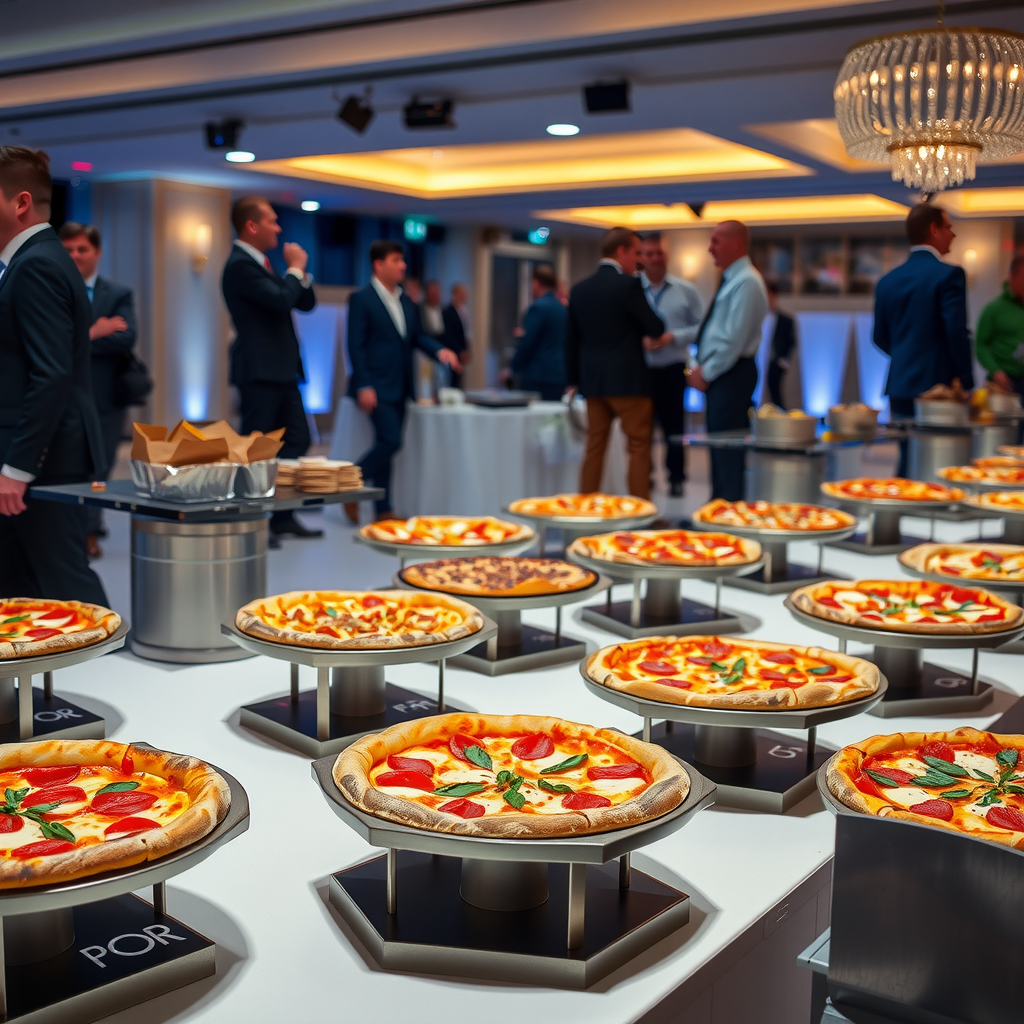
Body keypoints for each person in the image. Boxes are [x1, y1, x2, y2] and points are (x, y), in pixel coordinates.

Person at [0, 147, 108, 605]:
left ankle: (109, 649)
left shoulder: (37, 264)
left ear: (20, 203)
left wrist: (17, 468)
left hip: (43, 458)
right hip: (40, 453)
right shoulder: (33, 260)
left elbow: (50, 374)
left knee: (65, 581)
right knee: (21, 583)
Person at [222, 195, 320, 543]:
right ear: (252, 226)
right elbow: (280, 301)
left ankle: (281, 516)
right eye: (272, 221)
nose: (279, 228)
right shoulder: (239, 265)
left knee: (298, 439)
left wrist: (299, 273)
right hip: (259, 370)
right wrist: (294, 270)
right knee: (257, 450)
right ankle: (251, 520)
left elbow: (305, 303)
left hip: (282, 370)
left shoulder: (263, 263)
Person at [345, 240, 462, 519]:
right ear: (378, 265)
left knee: (388, 447)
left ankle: (383, 509)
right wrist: (364, 384)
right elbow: (355, 346)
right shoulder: (361, 299)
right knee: (391, 441)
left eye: (403, 260)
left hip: (401, 385)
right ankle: (350, 483)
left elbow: (418, 336)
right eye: (396, 260)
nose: (403, 265)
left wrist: (440, 351)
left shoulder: (406, 301)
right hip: (376, 385)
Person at [565, 227, 667, 498]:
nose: (640, 260)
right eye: (637, 253)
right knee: (638, 446)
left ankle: (586, 507)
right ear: (621, 252)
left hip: (593, 383)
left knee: (594, 447)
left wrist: (573, 380)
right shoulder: (629, 285)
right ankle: (640, 511)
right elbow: (655, 327)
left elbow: (571, 340)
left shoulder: (579, 289)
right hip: (629, 382)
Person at [873, 203, 973, 475]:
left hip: (900, 384)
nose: (953, 235)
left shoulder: (887, 280)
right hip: (939, 388)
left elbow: (879, 336)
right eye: (949, 228)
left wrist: (906, 356)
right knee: (939, 464)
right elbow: (955, 331)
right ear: (934, 230)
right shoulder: (949, 275)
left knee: (908, 458)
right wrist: (965, 381)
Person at [59, 222, 138, 559]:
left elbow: (126, 337)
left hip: (106, 398)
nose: (76, 255)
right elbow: (49, 342)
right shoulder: (52, 289)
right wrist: (93, 333)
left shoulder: (117, 294)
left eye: (82, 249)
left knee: (99, 469)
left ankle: (90, 531)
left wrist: (74, 340)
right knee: (66, 467)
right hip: (61, 397)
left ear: (97, 253)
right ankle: (65, 533)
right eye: (69, 250)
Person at [687, 220, 769, 502]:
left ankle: (728, 511)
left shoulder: (747, 282)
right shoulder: (734, 279)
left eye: (716, 241)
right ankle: (719, 506)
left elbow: (733, 341)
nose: (710, 249)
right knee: (719, 448)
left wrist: (705, 372)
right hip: (723, 373)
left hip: (731, 374)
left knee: (727, 452)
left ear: (735, 244)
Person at [639, 233, 703, 496]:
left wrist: (673, 337)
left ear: (666, 256)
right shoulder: (633, 290)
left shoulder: (686, 290)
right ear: (642, 258)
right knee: (641, 428)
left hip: (673, 370)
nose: (655, 258)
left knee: (674, 428)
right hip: (641, 371)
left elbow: (701, 328)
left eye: (659, 253)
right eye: (649, 254)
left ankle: (676, 478)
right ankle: (644, 476)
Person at [503, 265, 566, 401]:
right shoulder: (562, 308)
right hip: (559, 376)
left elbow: (528, 343)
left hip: (538, 376)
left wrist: (512, 368)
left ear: (537, 283)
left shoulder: (537, 308)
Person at [975, 255, 1024, 394]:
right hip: (1002, 381)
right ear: (1011, 276)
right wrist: (994, 370)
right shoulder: (993, 309)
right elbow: (980, 345)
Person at [764, 281, 796, 409]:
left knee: (775, 392)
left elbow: (791, 341)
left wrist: (784, 360)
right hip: (759, 360)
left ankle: (779, 416)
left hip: (775, 361)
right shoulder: (758, 317)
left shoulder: (785, 319)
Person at [441, 283, 471, 388]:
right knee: (451, 380)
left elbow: (466, 333)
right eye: (461, 293)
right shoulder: (448, 312)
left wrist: (466, 349)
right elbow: (449, 335)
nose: (464, 296)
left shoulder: (464, 312)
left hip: (461, 351)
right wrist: (459, 350)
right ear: (455, 294)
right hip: (452, 351)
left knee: (459, 379)